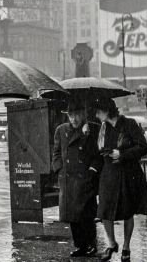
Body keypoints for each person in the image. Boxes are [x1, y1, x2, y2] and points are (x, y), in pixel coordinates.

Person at [94, 97, 147, 262]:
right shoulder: (103, 128)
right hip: (109, 174)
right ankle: (112, 244)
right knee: (105, 210)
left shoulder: (129, 124)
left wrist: (122, 154)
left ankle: (126, 247)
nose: (97, 115)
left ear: (107, 111)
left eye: (99, 112)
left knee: (128, 211)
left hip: (129, 174)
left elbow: (143, 147)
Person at [52, 100, 101, 258]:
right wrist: (59, 169)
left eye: (77, 115)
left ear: (83, 115)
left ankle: (91, 245)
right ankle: (80, 246)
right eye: (71, 116)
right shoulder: (61, 130)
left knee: (86, 216)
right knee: (72, 216)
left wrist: (92, 171)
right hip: (67, 179)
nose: (73, 119)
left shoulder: (91, 130)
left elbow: (97, 155)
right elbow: (56, 152)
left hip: (84, 179)